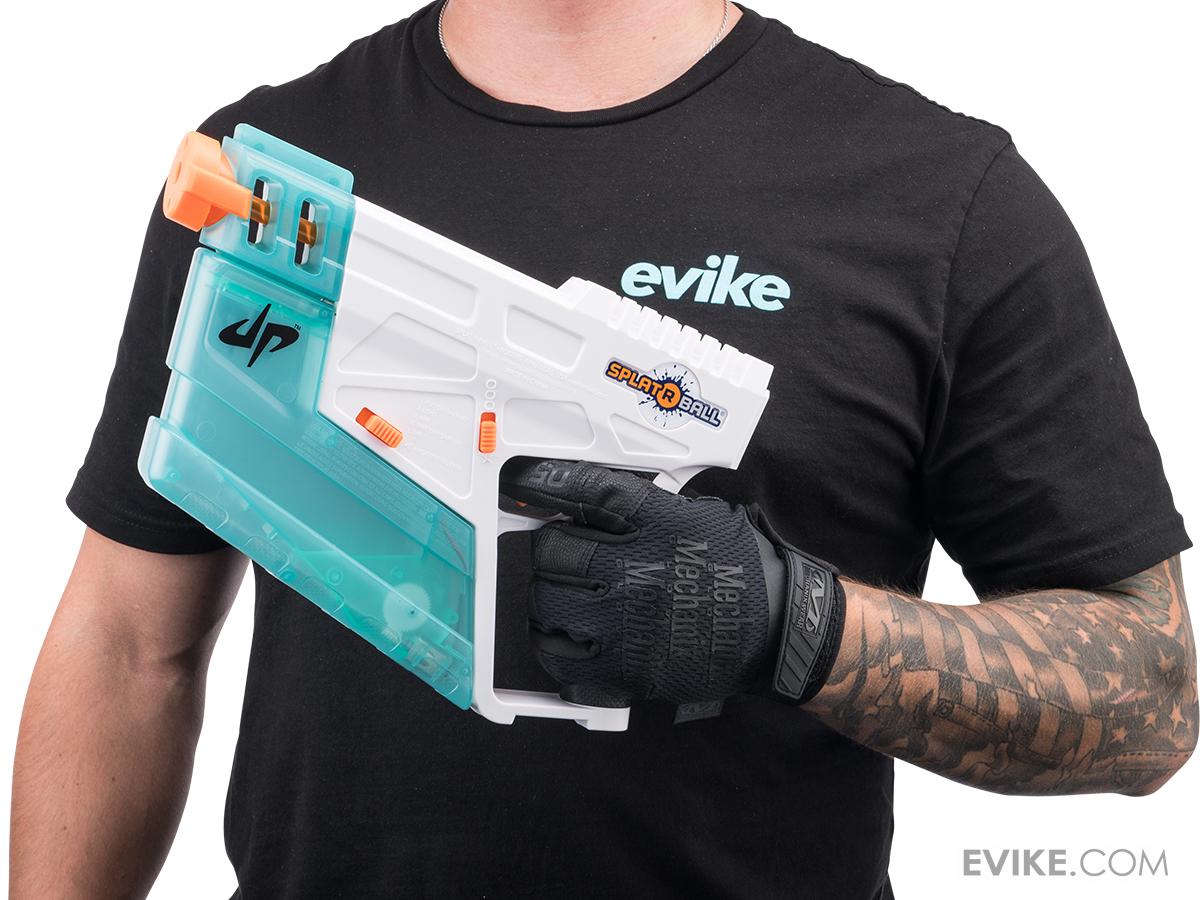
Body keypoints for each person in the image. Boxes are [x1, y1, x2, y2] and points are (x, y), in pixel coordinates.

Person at [11, 1, 1196, 898]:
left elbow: (1151, 698)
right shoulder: (266, 193)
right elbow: (126, 645)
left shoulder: (943, 201)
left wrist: (796, 627)